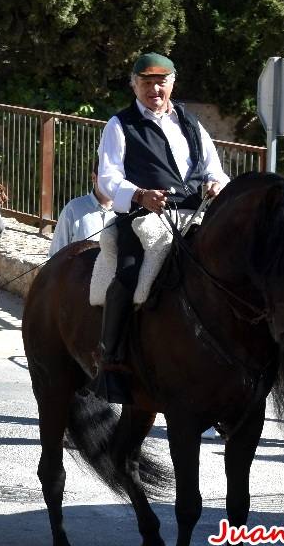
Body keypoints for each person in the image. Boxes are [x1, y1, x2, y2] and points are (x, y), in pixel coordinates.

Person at [95, 53, 230, 403]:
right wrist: (139, 195)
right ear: (134, 84)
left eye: (161, 81)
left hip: (196, 215)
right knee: (127, 273)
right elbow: (108, 179)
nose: (154, 88)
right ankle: (110, 363)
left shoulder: (190, 122)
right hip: (143, 216)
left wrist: (216, 184)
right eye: (146, 82)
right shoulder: (119, 125)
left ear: (172, 82)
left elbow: (215, 169)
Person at [49, 171, 114, 256]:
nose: (112, 181)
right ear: (94, 178)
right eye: (106, 177)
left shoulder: (128, 212)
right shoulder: (73, 209)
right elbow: (56, 257)